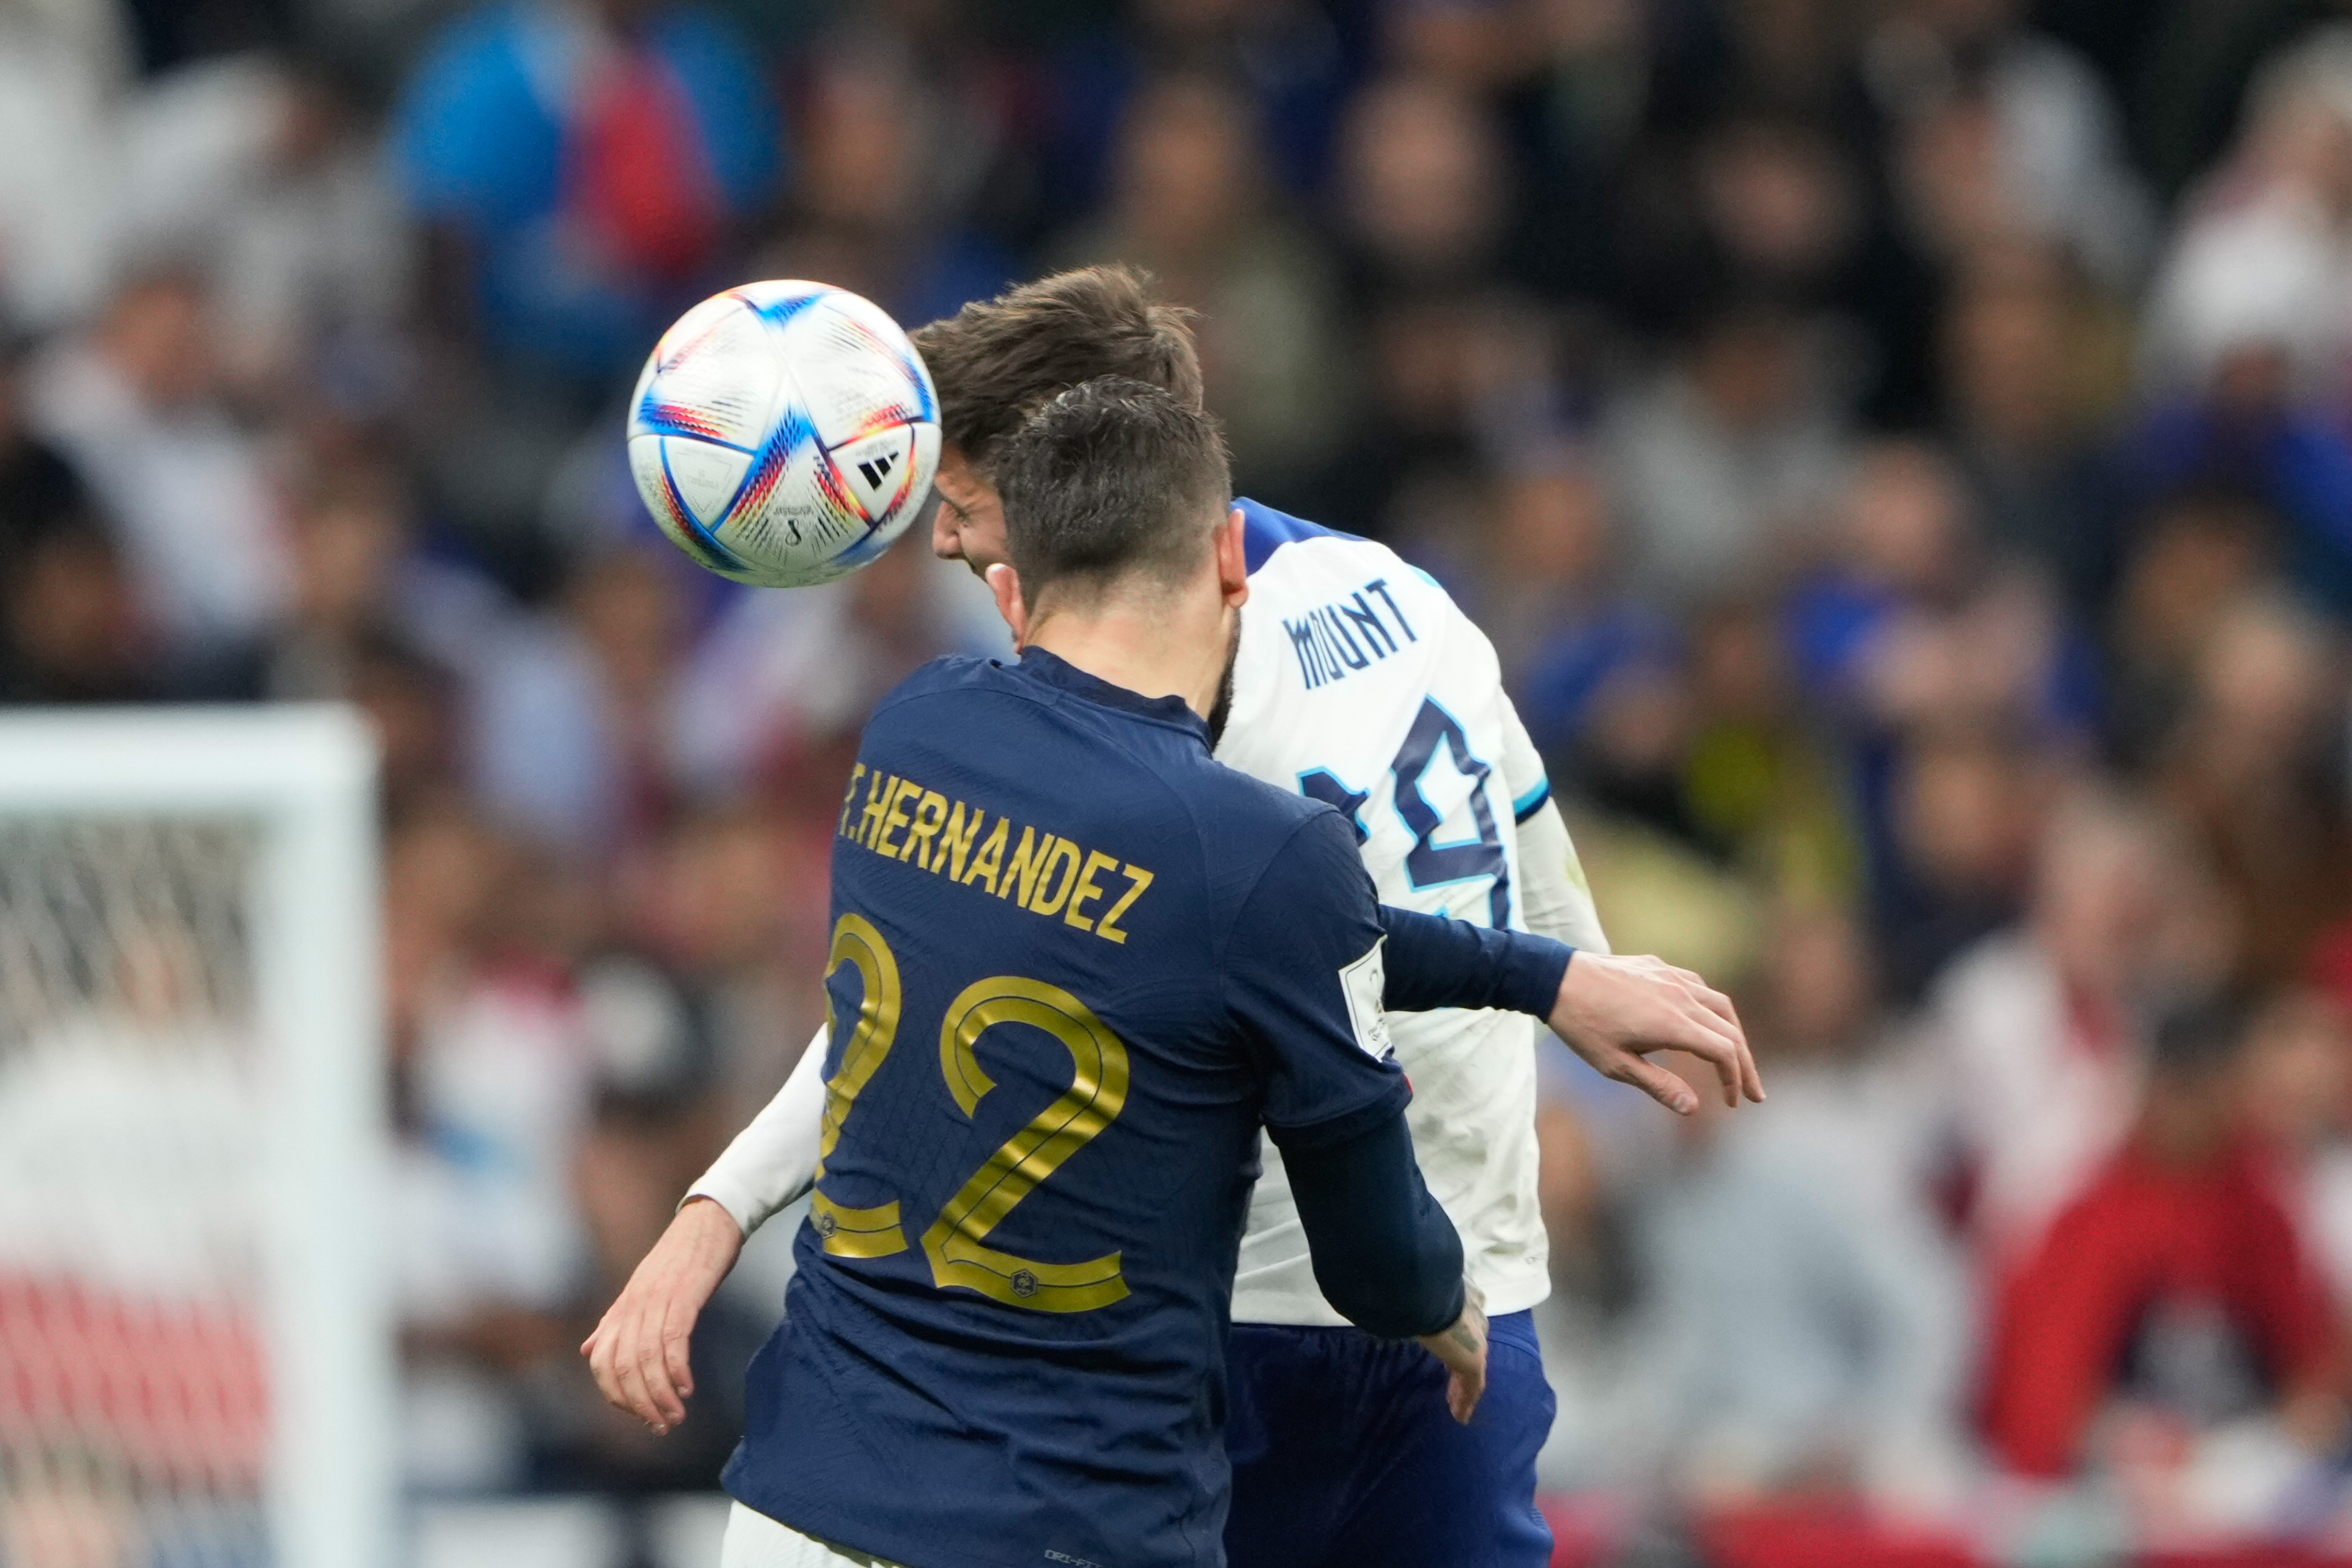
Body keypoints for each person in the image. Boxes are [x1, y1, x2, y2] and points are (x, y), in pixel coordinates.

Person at [585, 270, 1762, 1564]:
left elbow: (913, 1010)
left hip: (1254, 1317)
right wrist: (1556, 981)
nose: (943, 542)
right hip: (1481, 1278)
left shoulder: (1135, 734)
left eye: (964, 501)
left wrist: (717, 1209)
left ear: (1068, 481)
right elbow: (1523, 873)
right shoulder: (1406, 597)